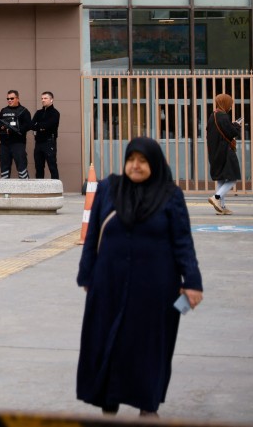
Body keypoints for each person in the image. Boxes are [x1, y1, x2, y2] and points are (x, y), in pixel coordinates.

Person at [76, 137, 203, 418]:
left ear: (154, 163)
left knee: (149, 347)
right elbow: (93, 234)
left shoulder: (170, 195)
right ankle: (108, 400)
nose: (135, 165)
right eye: (131, 159)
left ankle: (148, 405)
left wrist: (192, 281)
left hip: (155, 289)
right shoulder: (109, 188)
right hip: (109, 282)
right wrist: (87, 275)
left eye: (143, 160)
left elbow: (182, 241)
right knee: (106, 340)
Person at [205, 93, 243, 215]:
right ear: (225, 103)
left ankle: (221, 206)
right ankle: (216, 197)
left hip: (215, 153)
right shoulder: (222, 116)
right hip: (225, 153)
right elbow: (231, 133)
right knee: (233, 178)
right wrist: (237, 125)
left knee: (221, 179)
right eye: (229, 104)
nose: (230, 107)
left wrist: (232, 125)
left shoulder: (213, 116)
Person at [0, 89, 32, 179]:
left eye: (12, 98)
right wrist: (3, 127)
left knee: (22, 168)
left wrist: (14, 130)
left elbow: (28, 126)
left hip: (18, 144)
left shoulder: (24, 111)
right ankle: (5, 191)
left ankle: (25, 190)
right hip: (4, 145)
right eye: (8, 98)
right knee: (4, 169)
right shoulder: (3, 110)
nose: (9, 100)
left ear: (17, 98)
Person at [31, 91, 61, 181]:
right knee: (39, 167)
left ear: (51, 100)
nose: (43, 100)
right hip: (38, 142)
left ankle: (55, 189)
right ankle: (40, 190)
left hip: (49, 142)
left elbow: (48, 125)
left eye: (45, 98)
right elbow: (32, 125)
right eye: (42, 98)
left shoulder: (55, 113)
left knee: (52, 166)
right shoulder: (39, 112)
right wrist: (40, 127)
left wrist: (39, 126)